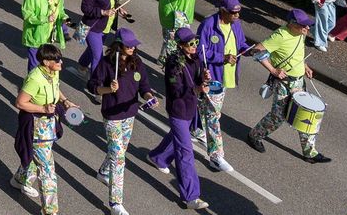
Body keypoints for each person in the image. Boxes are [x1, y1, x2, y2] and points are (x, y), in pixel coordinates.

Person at [246, 8, 332, 164]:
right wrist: (273, 70)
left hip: (299, 81)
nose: (307, 29)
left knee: (306, 116)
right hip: (284, 84)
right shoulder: (280, 36)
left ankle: (309, 152)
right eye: (303, 26)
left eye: (308, 26)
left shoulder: (300, 34)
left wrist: (304, 66)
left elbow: (297, 52)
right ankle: (254, 136)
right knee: (278, 117)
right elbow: (256, 51)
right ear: (292, 24)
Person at [90, 28, 157, 215]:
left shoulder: (137, 62)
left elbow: (144, 86)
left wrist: (149, 97)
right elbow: (92, 85)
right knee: (119, 158)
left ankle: (103, 172)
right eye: (128, 45)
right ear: (118, 45)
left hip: (130, 115)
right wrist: (107, 90)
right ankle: (115, 203)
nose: (132, 48)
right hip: (112, 116)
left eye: (134, 45)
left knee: (119, 151)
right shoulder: (106, 64)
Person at [148, 26, 209, 211]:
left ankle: (158, 157)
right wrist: (197, 89)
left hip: (191, 108)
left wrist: (204, 78)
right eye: (191, 44)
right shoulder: (174, 63)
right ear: (181, 45)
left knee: (177, 138)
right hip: (178, 110)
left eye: (196, 42)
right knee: (186, 152)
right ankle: (191, 196)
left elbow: (198, 79)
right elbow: (176, 90)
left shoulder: (196, 57)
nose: (195, 46)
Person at [11, 43, 75, 215]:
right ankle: (50, 211)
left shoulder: (53, 72)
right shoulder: (35, 78)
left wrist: (65, 100)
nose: (61, 62)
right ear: (46, 62)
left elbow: (56, 88)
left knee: (35, 157)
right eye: (57, 60)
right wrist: (43, 109)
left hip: (49, 124)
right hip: (36, 126)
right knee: (48, 170)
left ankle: (19, 179)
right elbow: (20, 103)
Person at [195, 0, 250, 172]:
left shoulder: (236, 24)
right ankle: (216, 157)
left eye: (239, 12)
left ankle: (194, 128)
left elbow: (241, 43)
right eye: (234, 13)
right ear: (223, 10)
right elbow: (199, 51)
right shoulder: (208, 25)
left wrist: (248, 50)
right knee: (213, 116)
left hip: (227, 77)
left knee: (207, 108)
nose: (237, 16)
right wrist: (222, 57)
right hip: (213, 77)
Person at [78, 0, 128, 79]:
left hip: (106, 27)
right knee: (98, 57)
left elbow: (114, 0)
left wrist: (119, 8)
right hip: (93, 28)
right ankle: (97, 87)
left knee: (93, 50)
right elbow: (85, 8)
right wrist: (103, 12)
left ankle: (82, 65)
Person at [20, 0, 66, 70]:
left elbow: (61, 10)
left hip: (49, 36)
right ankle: (30, 85)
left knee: (45, 65)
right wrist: (45, 19)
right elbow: (27, 15)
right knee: (35, 66)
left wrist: (64, 18)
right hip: (35, 36)